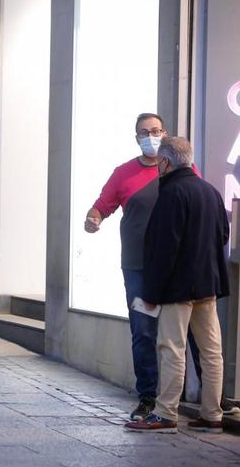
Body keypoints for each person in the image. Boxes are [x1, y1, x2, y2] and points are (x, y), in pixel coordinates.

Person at [84, 113, 189, 421]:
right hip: (138, 268)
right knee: (143, 332)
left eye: (156, 130)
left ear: (165, 133)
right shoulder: (124, 173)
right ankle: (147, 397)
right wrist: (93, 219)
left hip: (176, 267)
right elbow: (101, 206)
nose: (151, 136)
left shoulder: (181, 169)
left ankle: (181, 398)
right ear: (136, 138)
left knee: (182, 334)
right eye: (144, 132)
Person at [124, 137, 229, 434]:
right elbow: (222, 234)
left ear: (166, 162)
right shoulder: (209, 191)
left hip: (176, 288)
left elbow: (163, 249)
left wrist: (152, 293)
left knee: (172, 348)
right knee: (211, 351)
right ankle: (212, 414)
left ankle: (166, 412)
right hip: (207, 285)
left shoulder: (170, 194)